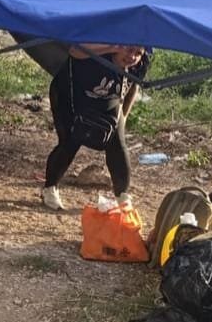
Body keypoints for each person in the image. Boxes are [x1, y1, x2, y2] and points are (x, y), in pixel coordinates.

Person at [41, 44, 150, 211]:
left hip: (109, 99)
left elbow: (133, 86)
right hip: (70, 95)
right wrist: (111, 48)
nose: (132, 57)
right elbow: (74, 51)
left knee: (118, 143)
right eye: (129, 50)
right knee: (70, 140)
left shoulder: (138, 65)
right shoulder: (99, 48)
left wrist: (124, 116)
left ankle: (123, 196)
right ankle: (50, 189)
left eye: (138, 53)